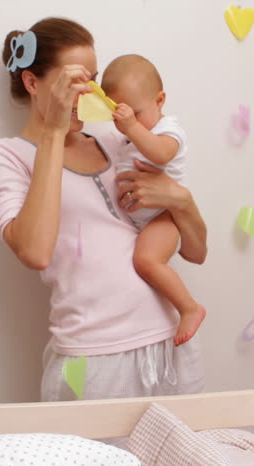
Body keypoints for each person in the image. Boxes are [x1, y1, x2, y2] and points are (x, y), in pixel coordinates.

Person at [0, 17, 207, 404]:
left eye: (92, 78)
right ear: (32, 82)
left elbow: (195, 252)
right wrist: (55, 132)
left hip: (169, 343)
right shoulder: (7, 157)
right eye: (73, 80)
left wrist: (182, 201)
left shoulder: (117, 136)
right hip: (92, 359)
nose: (89, 92)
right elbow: (35, 253)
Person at [101, 54, 206, 347]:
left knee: (146, 260)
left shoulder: (167, 130)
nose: (125, 124)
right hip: (143, 221)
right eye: (118, 117)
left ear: (160, 101)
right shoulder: (129, 137)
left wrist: (132, 126)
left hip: (164, 216)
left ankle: (189, 308)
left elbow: (161, 155)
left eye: (134, 113)